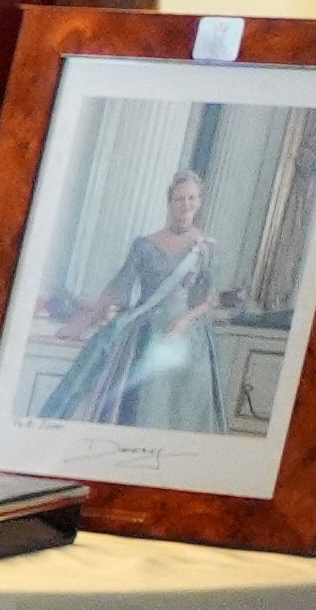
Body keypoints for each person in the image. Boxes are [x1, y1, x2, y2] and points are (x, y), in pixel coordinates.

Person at [34, 156, 234, 430]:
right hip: (143, 327)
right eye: (179, 199)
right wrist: (84, 321)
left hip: (185, 332)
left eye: (191, 198)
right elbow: (119, 286)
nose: (185, 205)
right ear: (169, 202)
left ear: (199, 201)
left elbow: (209, 298)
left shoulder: (206, 246)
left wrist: (183, 322)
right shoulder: (145, 245)